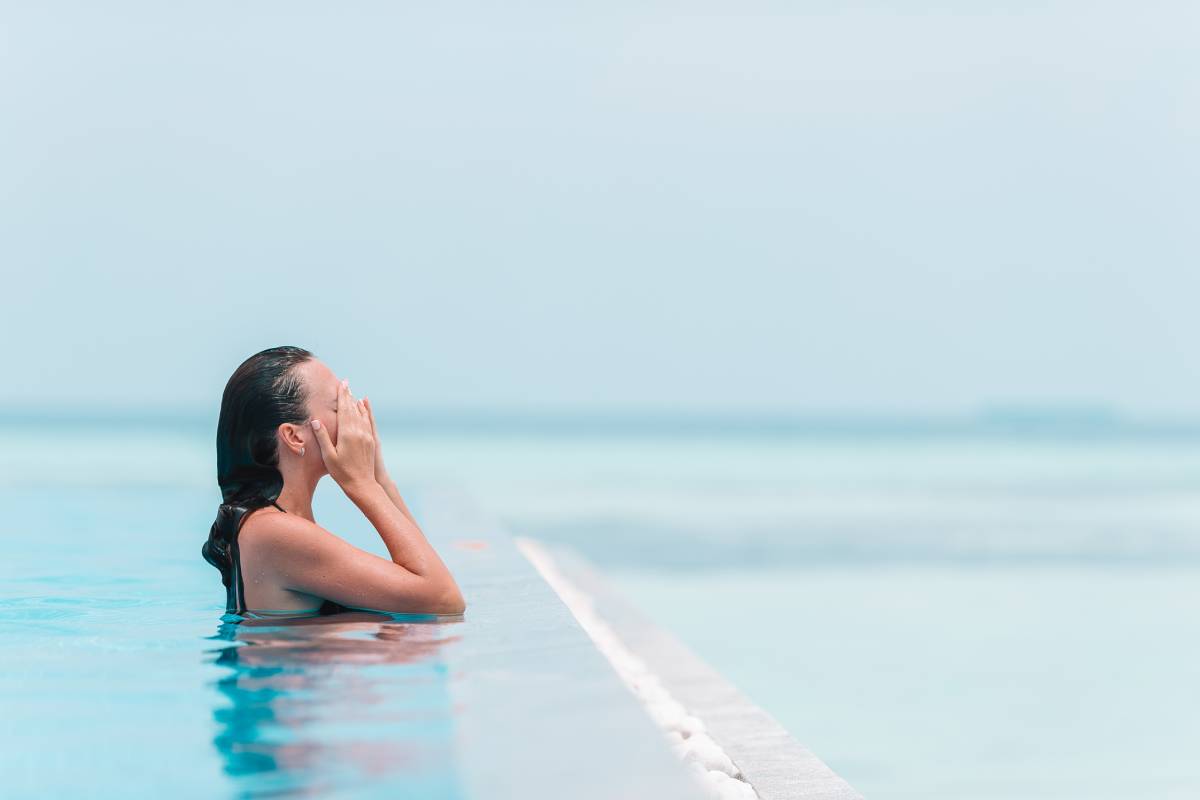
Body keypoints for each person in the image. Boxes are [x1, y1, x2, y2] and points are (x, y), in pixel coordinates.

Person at [202, 346, 466, 618]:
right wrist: (362, 485)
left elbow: (427, 573)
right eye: (340, 407)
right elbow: (445, 600)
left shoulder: (281, 524)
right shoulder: (273, 532)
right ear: (294, 436)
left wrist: (378, 477)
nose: (356, 417)